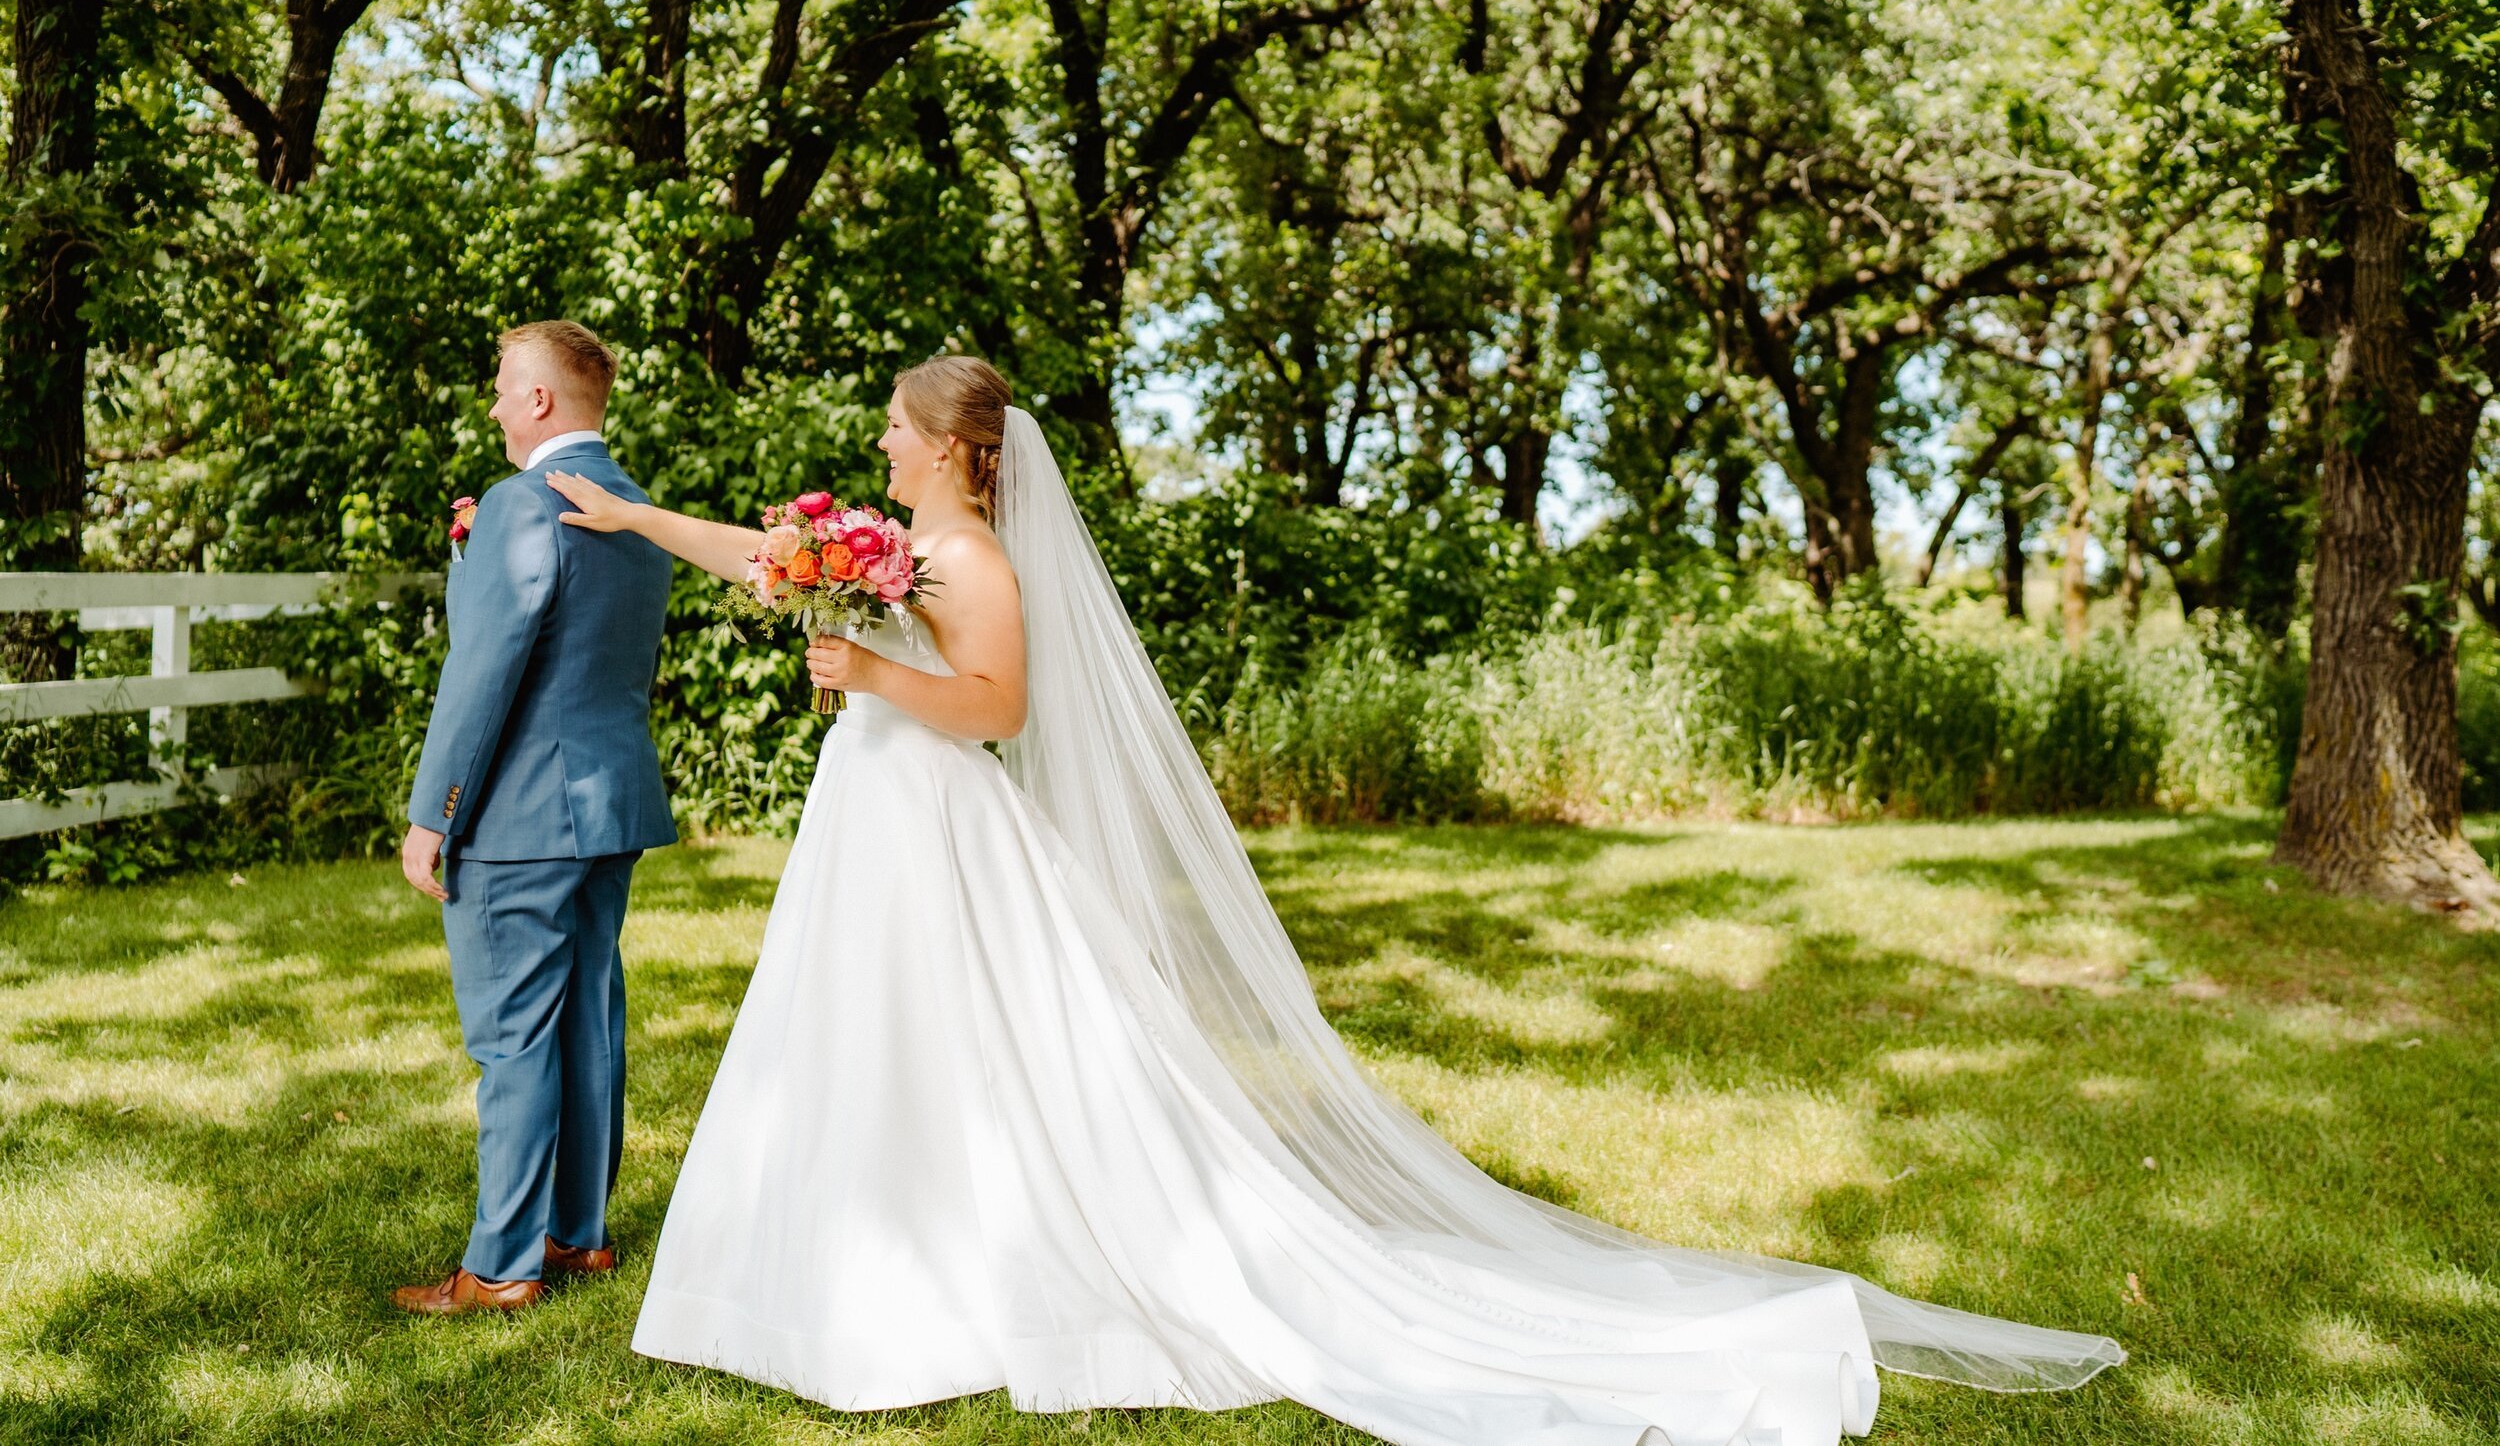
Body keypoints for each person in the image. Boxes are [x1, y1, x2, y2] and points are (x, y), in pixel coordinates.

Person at [545, 354, 2123, 1446]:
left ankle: (967, 1280)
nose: (876, 446)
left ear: (956, 448)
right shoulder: (891, 548)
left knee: (968, 1051)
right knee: (872, 1047)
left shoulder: (969, 571)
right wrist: (635, 520)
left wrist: (870, 669)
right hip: (881, 826)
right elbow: (769, 554)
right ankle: (869, 1268)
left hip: (942, 822)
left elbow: (1001, 715)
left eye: (896, 430)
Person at [394, 319, 676, 1315]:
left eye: (506, 387)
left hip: (519, 816)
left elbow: (483, 675)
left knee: (515, 1034)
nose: (497, 403)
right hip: (610, 804)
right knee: (588, 1019)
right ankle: (577, 1235)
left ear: (544, 401)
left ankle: (501, 1265)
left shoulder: (525, 504)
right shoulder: (636, 509)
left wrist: (436, 813)